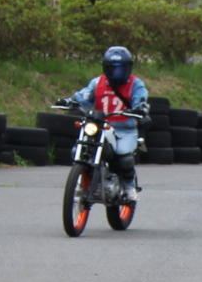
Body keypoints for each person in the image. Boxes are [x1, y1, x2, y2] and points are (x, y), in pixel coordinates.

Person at [62, 45, 150, 199]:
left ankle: (129, 188)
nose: (116, 72)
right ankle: (84, 181)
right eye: (112, 68)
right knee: (79, 149)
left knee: (124, 157)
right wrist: (70, 101)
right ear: (105, 68)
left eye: (120, 69)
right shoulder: (97, 83)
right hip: (100, 126)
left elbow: (141, 100)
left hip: (125, 130)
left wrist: (139, 108)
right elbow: (84, 96)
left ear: (128, 68)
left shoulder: (136, 85)